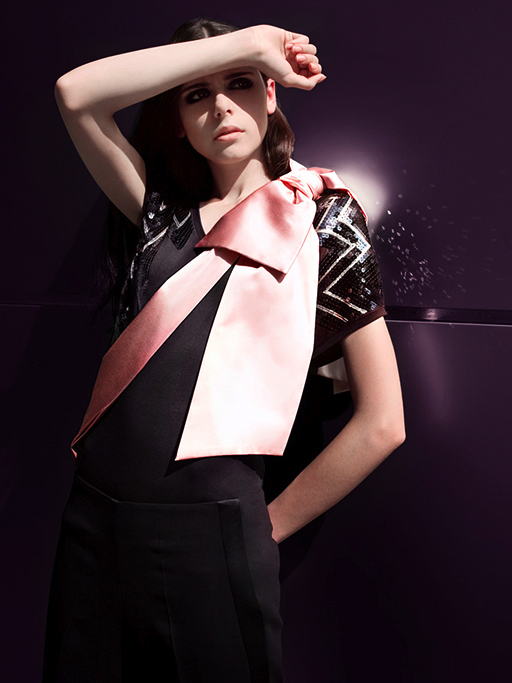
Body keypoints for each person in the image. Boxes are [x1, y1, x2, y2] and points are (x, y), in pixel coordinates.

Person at [43, 17, 406, 683]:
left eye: (240, 84)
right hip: (92, 522)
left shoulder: (325, 218)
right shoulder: (159, 213)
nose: (220, 107)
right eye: (195, 94)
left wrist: (262, 528)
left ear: (271, 94)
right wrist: (246, 44)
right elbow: (75, 93)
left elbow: (383, 422)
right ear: (180, 121)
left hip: (215, 534)